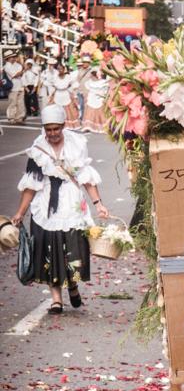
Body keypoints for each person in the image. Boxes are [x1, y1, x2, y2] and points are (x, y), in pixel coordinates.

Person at [11, 104, 109, 314]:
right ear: (44, 128)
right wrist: (20, 212)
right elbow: (31, 184)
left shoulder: (76, 145)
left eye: (56, 128)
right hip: (45, 205)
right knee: (49, 249)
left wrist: (98, 204)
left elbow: (86, 178)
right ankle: (56, 299)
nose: (53, 133)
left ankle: (72, 286)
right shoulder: (38, 149)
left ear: (63, 125)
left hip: (71, 203)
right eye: (49, 129)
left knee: (72, 248)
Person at [51, 63, 80, 129]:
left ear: (64, 69)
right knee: (57, 110)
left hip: (66, 95)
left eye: (61, 69)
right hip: (58, 95)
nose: (60, 70)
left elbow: (74, 84)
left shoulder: (68, 77)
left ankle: (68, 124)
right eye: (58, 69)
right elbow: (53, 86)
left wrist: (72, 91)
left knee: (68, 110)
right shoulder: (55, 77)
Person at [81, 67, 109, 133]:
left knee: (101, 114)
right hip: (91, 99)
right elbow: (87, 90)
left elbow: (105, 91)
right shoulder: (89, 82)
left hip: (100, 99)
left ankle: (103, 127)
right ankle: (88, 126)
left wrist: (104, 98)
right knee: (90, 113)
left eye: (92, 75)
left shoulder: (103, 82)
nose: (91, 77)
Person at [4, 51, 26, 124]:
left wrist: (20, 72)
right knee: (12, 103)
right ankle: (11, 117)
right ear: (7, 58)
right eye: (11, 57)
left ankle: (19, 118)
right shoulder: (6, 66)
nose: (13, 58)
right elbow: (14, 75)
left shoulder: (17, 65)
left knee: (21, 103)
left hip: (20, 85)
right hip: (12, 87)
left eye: (13, 57)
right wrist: (21, 72)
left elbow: (21, 73)